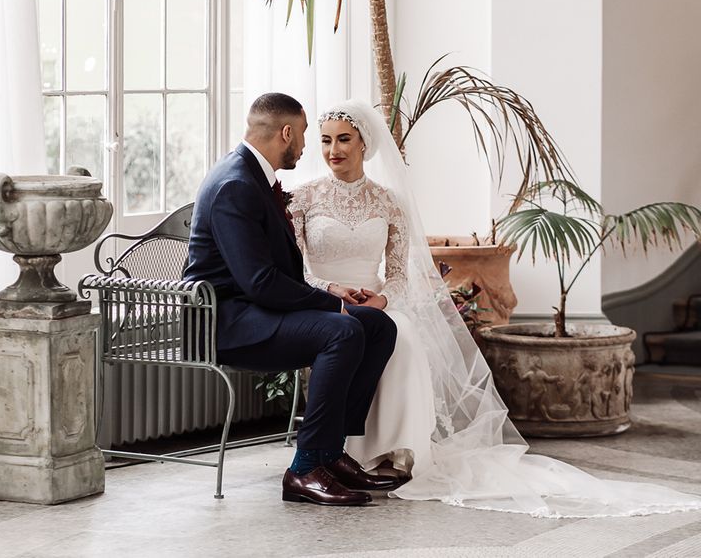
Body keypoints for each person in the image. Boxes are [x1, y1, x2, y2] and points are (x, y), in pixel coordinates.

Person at [288, 98, 701, 517]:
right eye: (325, 141)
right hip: (326, 303)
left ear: (364, 144)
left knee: (405, 335)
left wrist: (382, 298)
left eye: (344, 139)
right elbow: (296, 270)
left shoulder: (389, 201)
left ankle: (390, 452)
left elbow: (396, 272)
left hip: (376, 301)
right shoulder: (302, 198)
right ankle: (341, 452)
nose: (333, 150)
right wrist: (332, 289)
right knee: (367, 333)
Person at [183, 92, 399, 507]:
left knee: (378, 325)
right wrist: (331, 305)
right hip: (224, 321)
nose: (305, 146)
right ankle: (304, 469)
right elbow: (260, 282)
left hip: (252, 309)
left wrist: (331, 290)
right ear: (286, 132)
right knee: (342, 330)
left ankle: (330, 452)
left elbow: (274, 273)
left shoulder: (252, 175)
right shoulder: (235, 183)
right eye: (303, 135)